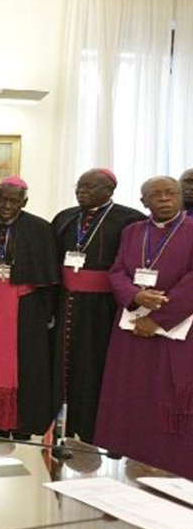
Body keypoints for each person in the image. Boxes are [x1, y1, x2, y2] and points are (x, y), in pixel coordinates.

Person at [95, 176, 193, 478]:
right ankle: (132, 464)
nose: (164, 199)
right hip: (132, 325)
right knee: (133, 395)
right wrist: (134, 296)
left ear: (180, 197)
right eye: (156, 194)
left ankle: (172, 471)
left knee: (168, 398)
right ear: (143, 202)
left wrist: (158, 319)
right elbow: (117, 271)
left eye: (170, 193)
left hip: (176, 330)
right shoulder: (133, 231)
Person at [51, 168, 145, 442]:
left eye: (89, 187)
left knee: (96, 364)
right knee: (63, 362)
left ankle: (95, 427)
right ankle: (63, 425)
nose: (81, 191)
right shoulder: (65, 217)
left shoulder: (130, 220)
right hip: (66, 300)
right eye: (79, 186)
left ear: (109, 190)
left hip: (105, 306)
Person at [0, 178, 60, 437]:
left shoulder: (39, 228)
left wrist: (47, 313)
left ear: (24, 202)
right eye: (2, 200)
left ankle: (22, 423)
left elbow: (48, 278)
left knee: (27, 364)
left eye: (14, 201)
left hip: (26, 307)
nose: (7, 206)